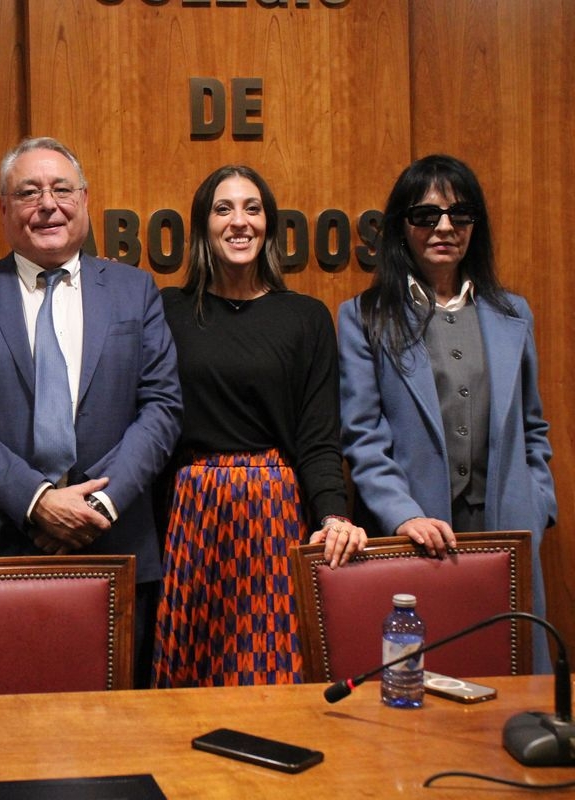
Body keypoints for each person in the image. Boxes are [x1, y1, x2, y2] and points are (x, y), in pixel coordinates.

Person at [0, 137, 183, 688]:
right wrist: (38, 502)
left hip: (112, 541)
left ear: (85, 200)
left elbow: (161, 407)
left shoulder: (135, 291)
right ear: (3, 207)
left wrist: (94, 504)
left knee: (113, 730)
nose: (48, 204)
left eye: (62, 189)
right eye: (28, 192)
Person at [337, 154, 556, 672]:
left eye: (459, 215)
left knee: (515, 685)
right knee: (418, 684)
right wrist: (404, 515)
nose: (444, 227)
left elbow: (534, 429)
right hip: (413, 533)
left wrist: (536, 505)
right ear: (401, 228)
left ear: (474, 227)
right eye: (425, 215)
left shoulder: (512, 313)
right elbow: (363, 437)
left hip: (508, 532)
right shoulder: (364, 317)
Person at [152, 165, 366, 688]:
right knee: (188, 678)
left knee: (272, 670)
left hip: (275, 510)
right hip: (190, 509)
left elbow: (318, 437)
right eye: (224, 209)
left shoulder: (306, 317)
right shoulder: (165, 310)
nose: (239, 221)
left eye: (252, 208)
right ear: (202, 226)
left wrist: (333, 515)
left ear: (269, 224)